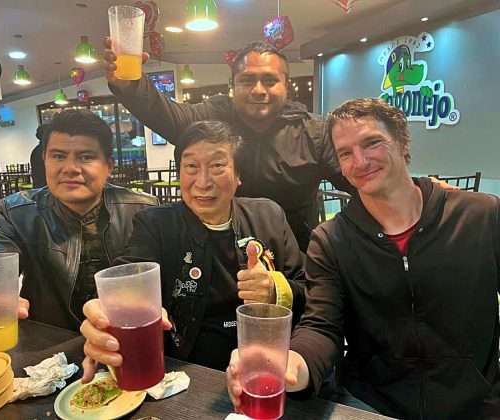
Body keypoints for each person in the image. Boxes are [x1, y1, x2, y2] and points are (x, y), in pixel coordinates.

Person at [227, 98, 500, 419]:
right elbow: (322, 326)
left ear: (402, 143)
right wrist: (290, 365)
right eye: (345, 153)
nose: (360, 160)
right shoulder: (331, 240)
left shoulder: (480, 216)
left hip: (476, 405)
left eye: (372, 143)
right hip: (370, 404)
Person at [80, 120, 306, 380]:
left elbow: (306, 289)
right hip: (188, 370)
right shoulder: (156, 224)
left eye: (217, 166)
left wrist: (275, 289)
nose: (203, 182)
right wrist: (108, 312)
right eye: (191, 167)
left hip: (266, 365)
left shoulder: (268, 216)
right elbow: (129, 277)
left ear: (238, 175)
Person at [104, 40, 351, 251]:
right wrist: (131, 86)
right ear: (233, 85)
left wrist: (340, 242)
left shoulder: (314, 132)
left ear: (286, 85)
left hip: (292, 256)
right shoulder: (213, 115)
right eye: (247, 80)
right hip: (216, 254)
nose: (258, 90)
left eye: (269, 80)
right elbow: (166, 115)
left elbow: (359, 184)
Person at [0, 109, 158, 359]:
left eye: (86, 157)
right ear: (44, 160)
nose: (70, 168)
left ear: (109, 167)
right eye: (58, 156)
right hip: (49, 349)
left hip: (125, 345)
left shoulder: (143, 211)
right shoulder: (18, 212)